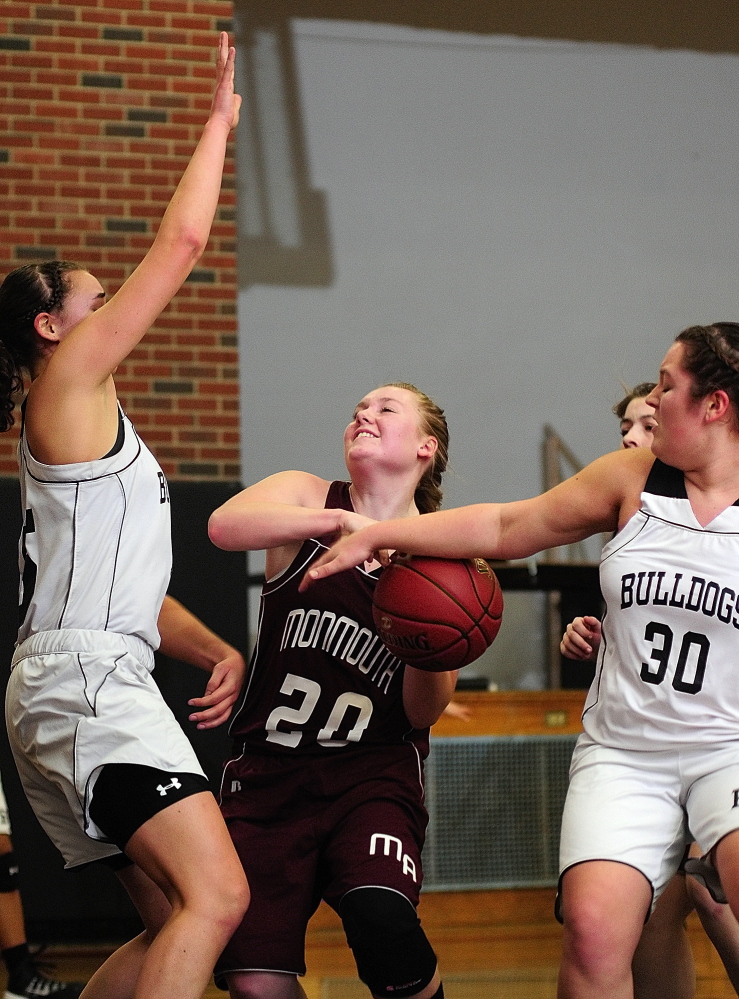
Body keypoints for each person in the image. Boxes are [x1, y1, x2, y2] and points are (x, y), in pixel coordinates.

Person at [301, 324, 739, 999]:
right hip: (625, 754)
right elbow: (507, 527)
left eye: (668, 384)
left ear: (713, 405)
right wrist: (383, 531)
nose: (653, 399)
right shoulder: (631, 478)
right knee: (592, 931)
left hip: (725, 746)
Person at [0, 34, 249, 999]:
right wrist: (218, 124)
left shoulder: (90, 420)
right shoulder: (65, 382)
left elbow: (129, 589)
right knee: (218, 898)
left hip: (69, 678)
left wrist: (213, 645)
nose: (112, 306)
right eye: (93, 300)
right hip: (88, 684)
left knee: (172, 925)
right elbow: (182, 245)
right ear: (50, 327)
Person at [207, 383, 456, 999]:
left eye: (385, 409)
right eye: (357, 411)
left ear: (426, 447)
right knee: (255, 982)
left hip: (371, 776)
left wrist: (425, 624)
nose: (363, 416)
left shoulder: (445, 548)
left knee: (382, 920)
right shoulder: (306, 495)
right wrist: (345, 524)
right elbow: (221, 525)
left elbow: (424, 710)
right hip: (269, 774)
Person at [560, 381, 739, 999]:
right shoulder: (631, 497)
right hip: (633, 744)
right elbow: (644, 617)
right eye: (627, 431)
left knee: (702, 901)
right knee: (631, 923)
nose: (636, 438)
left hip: (716, 741)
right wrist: (593, 637)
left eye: (647, 420)